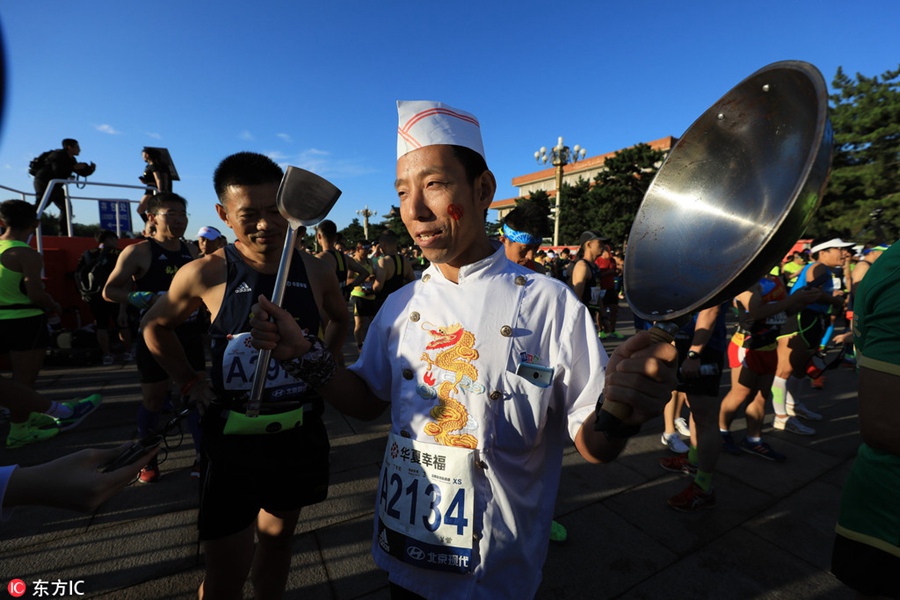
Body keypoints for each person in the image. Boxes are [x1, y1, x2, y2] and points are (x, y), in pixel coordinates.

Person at [248, 100, 677, 598]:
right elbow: (366, 400)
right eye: (403, 192)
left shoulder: (550, 304)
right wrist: (304, 353)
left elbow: (594, 445)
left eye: (434, 184)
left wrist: (623, 410)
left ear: (483, 190)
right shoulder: (401, 305)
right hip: (405, 553)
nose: (414, 210)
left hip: (497, 567)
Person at [140, 151, 349, 599]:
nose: (265, 225)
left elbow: (340, 319)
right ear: (223, 214)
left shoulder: (315, 269)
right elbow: (154, 326)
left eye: (275, 211)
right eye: (248, 215)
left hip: (297, 431)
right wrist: (190, 380)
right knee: (227, 570)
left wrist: (323, 367)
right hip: (232, 439)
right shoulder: (206, 272)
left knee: (278, 540)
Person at [103, 192, 203, 483]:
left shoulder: (192, 250)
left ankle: (203, 456)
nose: (179, 220)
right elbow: (109, 291)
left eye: (182, 214)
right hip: (155, 336)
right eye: (171, 214)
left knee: (198, 395)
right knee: (154, 399)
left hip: (189, 334)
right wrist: (143, 297)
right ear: (152, 217)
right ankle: (147, 459)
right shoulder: (138, 252)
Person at [1, 200, 102, 448]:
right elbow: (36, 294)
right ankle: (19, 430)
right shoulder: (27, 254)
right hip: (24, 321)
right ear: (35, 224)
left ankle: (27, 415)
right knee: (24, 378)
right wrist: (53, 305)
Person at [831, 241, 900, 599]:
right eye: (839, 251)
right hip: (888, 525)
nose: (844, 254)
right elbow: (885, 425)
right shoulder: (891, 269)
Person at [718, 275, 819, 460]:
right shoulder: (747, 281)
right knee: (740, 393)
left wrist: (803, 300)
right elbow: (756, 311)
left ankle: (754, 439)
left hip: (769, 346)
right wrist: (794, 298)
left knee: (760, 396)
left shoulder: (775, 280)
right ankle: (722, 433)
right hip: (747, 345)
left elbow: (785, 312)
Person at [771, 238, 854, 434]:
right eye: (839, 249)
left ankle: (793, 406)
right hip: (801, 319)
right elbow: (811, 292)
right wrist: (835, 300)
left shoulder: (824, 270)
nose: (844, 253)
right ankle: (780, 417)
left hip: (812, 319)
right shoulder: (818, 267)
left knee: (800, 369)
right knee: (783, 371)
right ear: (823, 252)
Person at [657, 305, 727, 510]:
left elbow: (711, 309)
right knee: (695, 409)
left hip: (703, 347)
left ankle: (704, 487)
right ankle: (694, 460)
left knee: (705, 418)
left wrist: (694, 354)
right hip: (685, 342)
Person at [76, 229, 133, 366]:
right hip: (116, 294)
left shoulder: (87, 254)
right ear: (110, 239)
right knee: (123, 324)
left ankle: (107, 355)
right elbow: (128, 278)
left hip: (95, 297)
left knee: (101, 326)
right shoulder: (120, 254)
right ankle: (128, 353)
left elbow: (78, 275)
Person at [31, 139, 94, 234]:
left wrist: (90, 169)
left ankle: (63, 234)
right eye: (77, 147)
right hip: (44, 182)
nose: (79, 149)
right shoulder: (58, 155)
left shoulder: (71, 159)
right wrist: (74, 167)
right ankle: (19, 222)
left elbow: (81, 172)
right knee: (41, 205)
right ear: (69, 147)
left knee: (66, 208)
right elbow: (58, 171)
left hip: (56, 186)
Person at [316, 219, 368, 302]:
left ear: (318, 236)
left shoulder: (319, 258)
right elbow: (365, 273)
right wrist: (349, 287)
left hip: (327, 304)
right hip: (342, 302)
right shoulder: (344, 257)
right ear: (335, 237)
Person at [569, 230, 605, 333]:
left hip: (590, 316)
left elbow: (597, 294)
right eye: (600, 243)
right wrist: (580, 321)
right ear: (589, 244)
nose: (603, 246)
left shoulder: (595, 267)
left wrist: (604, 316)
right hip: (581, 320)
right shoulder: (582, 266)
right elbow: (577, 298)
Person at [499, 202, 549, 274]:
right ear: (503, 241)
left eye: (536, 248)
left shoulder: (538, 271)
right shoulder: (487, 272)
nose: (530, 257)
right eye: (525, 249)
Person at [372, 229, 414, 310]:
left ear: (383, 245)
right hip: (400, 302)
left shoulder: (384, 261)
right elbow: (412, 281)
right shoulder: (405, 260)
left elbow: (377, 288)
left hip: (384, 303)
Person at [349, 242, 378, 350]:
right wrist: (363, 279)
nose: (367, 252)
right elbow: (348, 280)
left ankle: (372, 344)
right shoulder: (353, 262)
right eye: (364, 249)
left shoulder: (369, 261)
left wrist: (374, 277)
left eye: (368, 249)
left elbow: (374, 274)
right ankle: (359, 346)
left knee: (374, 322)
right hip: (358, 295)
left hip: (370, 294)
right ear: (358, 249)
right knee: (360, 323)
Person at [136, 147, 172, 228]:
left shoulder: (154, 166)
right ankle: (152, 226)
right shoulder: (148, 166)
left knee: (140, 209)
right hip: (149, 187)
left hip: (152, 189)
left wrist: (159, 191)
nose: (142, 156)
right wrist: (144, 181)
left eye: (143, 154)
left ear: (147, 155)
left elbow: (158, 179)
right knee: (147, 210)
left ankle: (151, 226)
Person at [594, 244, 622, 339]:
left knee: (614, 309)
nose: (610, 255)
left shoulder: (612, 260)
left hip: (611, 288)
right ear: (604, 252)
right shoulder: (598, 261)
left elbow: (614, 271)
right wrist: (607, 273)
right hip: (602, 289)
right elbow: (596, 275)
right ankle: (600, 330)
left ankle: (612, 330)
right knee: (601, 311)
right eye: (609, 252)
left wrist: (617, 272)